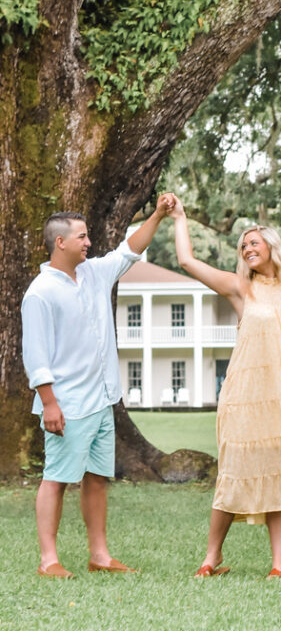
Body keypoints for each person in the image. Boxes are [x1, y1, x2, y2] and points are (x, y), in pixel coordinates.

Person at [170, 198, 281, 578]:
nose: (248, 249)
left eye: (254, 243)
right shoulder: (241, 288)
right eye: (243, 246)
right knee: (234, 473)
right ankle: (210, 557)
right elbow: (188, 261)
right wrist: (180, 218)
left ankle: (278, 566)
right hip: (245, 397)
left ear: (271, 248)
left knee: (280, 473)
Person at [22, 196, 174, 578]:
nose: (89, 243)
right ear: (61, 242)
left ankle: (100, 556)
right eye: (83, 236)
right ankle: (48, 561)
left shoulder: (94, 273)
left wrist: (157, 215)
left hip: (103, 400)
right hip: (67, 405)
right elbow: (36, 357)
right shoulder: (40, 293)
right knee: (56, 479)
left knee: (96, 479)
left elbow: (129, 250)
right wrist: (50, 404)